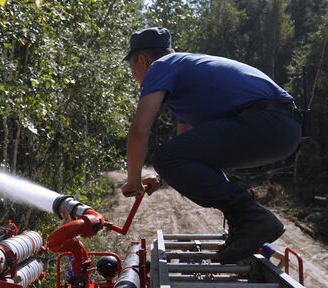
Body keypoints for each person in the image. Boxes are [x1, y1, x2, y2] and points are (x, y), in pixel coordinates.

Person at [121, 27, 301, 263]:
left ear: (142, 60)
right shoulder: (183, 75)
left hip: (267, 121)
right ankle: (245, 227)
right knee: (172, 159)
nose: (133, 75)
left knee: (165, 156)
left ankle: (253, 219)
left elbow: (138, 132)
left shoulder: (160, 67)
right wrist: (160, 175)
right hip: (283, 128)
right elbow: (186, 144)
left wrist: (133, 181)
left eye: (132, 67)